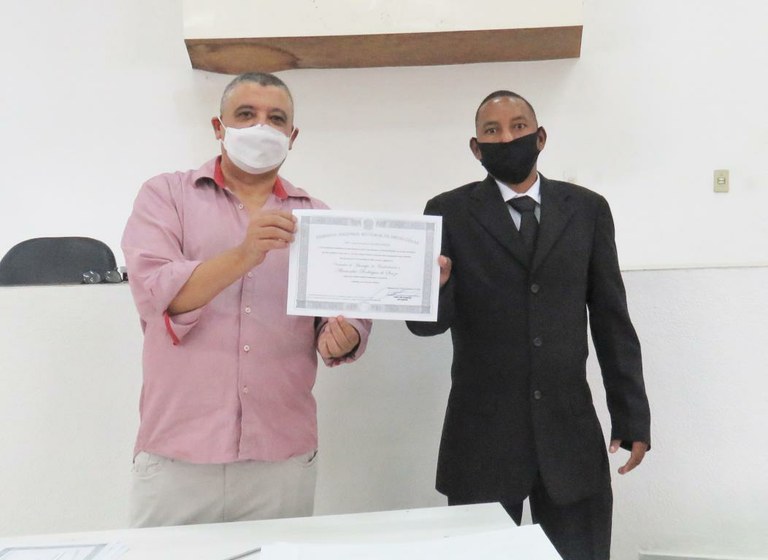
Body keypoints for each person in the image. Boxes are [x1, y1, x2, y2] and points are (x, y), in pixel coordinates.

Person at [406, 90, 650, 560]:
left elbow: (611, 317)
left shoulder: (587, 209)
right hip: (481, 440)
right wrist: (433, 289)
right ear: (476, 148)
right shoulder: (448, 211)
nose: (506, 138)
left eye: (518, 127)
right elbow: (426, 327)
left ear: (540, 137)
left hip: (570, 437)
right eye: (492, 131)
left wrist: (631, 415)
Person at [122, 72, 372, 527]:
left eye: (276, 119)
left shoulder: (316, 217)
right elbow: (157, 293)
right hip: (178, 455)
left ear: (292, 136)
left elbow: (344, 311)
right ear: (219, 127)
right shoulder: (166, 196)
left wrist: (345, 334)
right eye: (246, 114)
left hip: (281, 457)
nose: (262, 127)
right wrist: (244, 254)